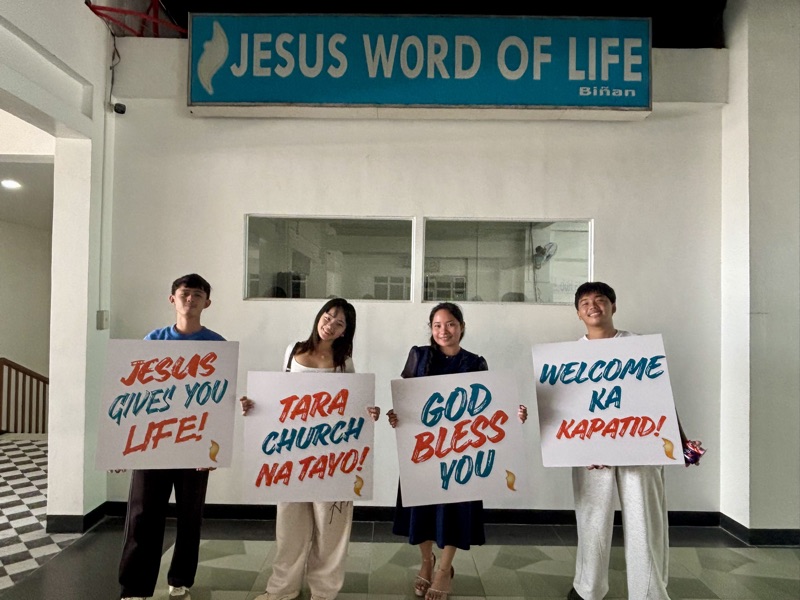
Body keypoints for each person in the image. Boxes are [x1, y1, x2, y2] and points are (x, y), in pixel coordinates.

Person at [567, 282, 703, 600]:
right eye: (585, 302)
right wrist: (578, 446)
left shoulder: (640, 346)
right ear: (577, 313)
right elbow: (566, 410)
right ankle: (588, 588)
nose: (593, 305)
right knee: (591, 518)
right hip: (592, 451)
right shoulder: (569, 356)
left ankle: (649, 592)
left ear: (614, 307)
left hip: (641, 445)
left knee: (645, 518)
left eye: (600, 300)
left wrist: (681, 442)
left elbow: (661, 398)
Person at [240, 298, 379, 600]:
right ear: (319, 317)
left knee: (331, 528)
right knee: (289, 527)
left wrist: (369, 413)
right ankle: (281, 590)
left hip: (332, 457)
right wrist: (255, 405)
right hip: (292, 454)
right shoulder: (293, 351)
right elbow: (281, 398)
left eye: (339, 322)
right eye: (327, 317)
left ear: (345, 331)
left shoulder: (345, 363)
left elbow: (354, 405)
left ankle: (323, 593)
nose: (330, 324)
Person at [387, 302, 527, 600]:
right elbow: (405, 399)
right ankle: (427, 561)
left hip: (461, 451)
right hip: (424, 449)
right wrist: (396, 415)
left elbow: (489, 408)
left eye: (450, 324)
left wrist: (513, 413)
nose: (443, 330)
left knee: (456, 508)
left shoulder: (475, 362)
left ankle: (444, 569)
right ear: (431, 329)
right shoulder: (419, 356)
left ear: (461, 326)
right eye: (437, 325)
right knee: (420, 507)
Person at [119, 273, 226, 600]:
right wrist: (124, 444)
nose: (190, 300)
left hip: (194, 444)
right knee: (142, 513)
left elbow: (219, 399)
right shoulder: (153, 340)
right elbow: (136, 395)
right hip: (154, 442)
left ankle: (181, 579)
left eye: (197, 295)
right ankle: (135, 587)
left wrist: (213, 451)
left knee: (190, 515)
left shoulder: (217, 345)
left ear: (207, 302)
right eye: (184, 294)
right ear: (172, 299)